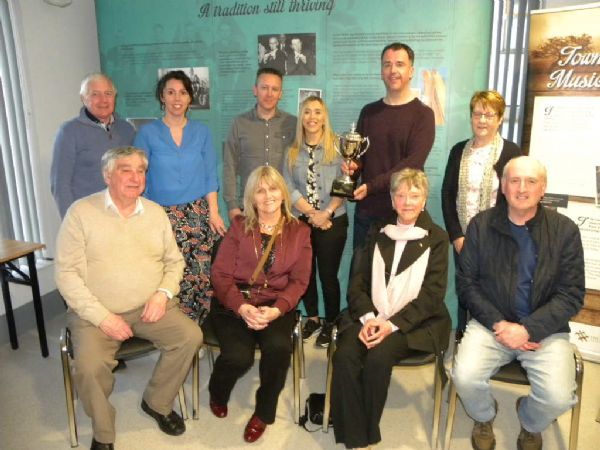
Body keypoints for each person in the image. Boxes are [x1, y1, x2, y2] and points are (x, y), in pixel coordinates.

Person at [55, 147, 203, 450]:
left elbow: (174, 262)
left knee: (190, 336)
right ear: (107, 175)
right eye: (126, 170)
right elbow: (66, 275)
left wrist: (162, 294)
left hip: (149, 307)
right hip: (95, 313)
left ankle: (157, 402)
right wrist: (103, 318)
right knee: (89, 366)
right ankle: (103, 431)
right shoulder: (81, 213)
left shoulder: (155, 213)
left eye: (141, 171)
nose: (136, 178)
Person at [452, 156, 584, 450]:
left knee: (558, 397)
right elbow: (466, 284)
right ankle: (484, 415)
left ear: (543, 188)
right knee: (464, 377)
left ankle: (530, 420)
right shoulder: (481, 225)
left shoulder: (564, 231)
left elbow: (572, 293)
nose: (522, 188)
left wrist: (528, 329)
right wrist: (499, 324)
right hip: (491, 324)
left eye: (531, 181)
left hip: (544, 329)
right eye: (514, 180)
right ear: (503, 186)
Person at [331, 168, 450, 450]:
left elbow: (432, 295)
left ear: (424, 200)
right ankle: (357, 438)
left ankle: (365, 434)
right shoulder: (377, 230)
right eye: (401, 195)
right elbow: (357, 281)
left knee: (378, 358)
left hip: (413, 322)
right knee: (345, 355)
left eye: (414, 196)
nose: (407, 202)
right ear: (393, 200)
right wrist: (369, 318)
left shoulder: (437, 238)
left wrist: (389, 325)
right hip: (369, 313)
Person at [208, 166, 311, 443]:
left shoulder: (300, 231)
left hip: (275, 304)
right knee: (238, 356)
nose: (268, 196)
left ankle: (264, 413)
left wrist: (277, 309)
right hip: (234, 302)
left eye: (273, 188)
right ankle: (217, 392)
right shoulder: (239, 227)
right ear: (251, 197)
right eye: (260, 190)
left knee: (278, 348)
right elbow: (220, 275)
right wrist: (242, 307)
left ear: (283, 193)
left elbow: (299, 281)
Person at [134, 70, 226, 321]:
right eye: (171, 92)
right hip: (161, 216)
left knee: (198, 273)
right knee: (166, 273)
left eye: (183, 93)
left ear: (190, 98)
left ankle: (196, 325)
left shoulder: (202, 132)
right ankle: (171, 325)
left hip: (197, 214)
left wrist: (214, 213)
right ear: (161, 97)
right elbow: (138, 178)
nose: (177, 98)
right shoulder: (147, 134)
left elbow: (210, 175)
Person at [441, 90, 521, 329]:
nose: (482, 120)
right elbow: (447, 195)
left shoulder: (511, 152)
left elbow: (515, 199)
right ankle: (462, 335)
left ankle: (493, 338)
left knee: (494, 292)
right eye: (477, 114)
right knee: (465, 291)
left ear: (500, 118)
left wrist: (496, 237)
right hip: (464, 239)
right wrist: (457, 236)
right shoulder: (458, 151)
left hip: (498, 240)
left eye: (489, 115)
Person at [348, 42, 435, 249]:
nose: (393, 70)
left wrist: (372, 186)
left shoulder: (423, 115)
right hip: (368, 213)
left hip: (405, 214)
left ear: (411, 71)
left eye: (399, 64)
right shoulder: (368, 112)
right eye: (387, 65)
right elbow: (359, 157)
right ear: (381, 71)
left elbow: (413, 164)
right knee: (362, 270)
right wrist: (352, 169)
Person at [282, 96, 346, 348]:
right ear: (302, 117)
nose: (312, 117)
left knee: (328, 276)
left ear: (324, 117)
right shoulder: (292, 151)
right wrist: (312, 214)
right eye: (307, 112)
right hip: (302, 221)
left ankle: (331, 322)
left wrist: (326, 213)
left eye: (317, 112)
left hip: (334, 220)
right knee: (305, 274)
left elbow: (345, 184)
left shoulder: (338, 147)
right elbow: (288, 186)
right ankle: (313, 318)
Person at [51, 73, 135, 217]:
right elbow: (60, 184)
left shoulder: (127, 129)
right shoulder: (69, 132)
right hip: (89, 216)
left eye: (108, 94)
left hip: (124, 214)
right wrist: (72, 221)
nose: (103, 100)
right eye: (95, 94)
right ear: (83, 98)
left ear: (115, 97)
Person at [223, 67, 297, 220]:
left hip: (282, 207)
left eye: (274, 89)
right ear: (255, 90)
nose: (269, 94)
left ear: (280, 94)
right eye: (264, 88)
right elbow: (229, 165)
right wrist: (232, 205)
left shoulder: (292, 124)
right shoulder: (239, 123)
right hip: (248, 207)